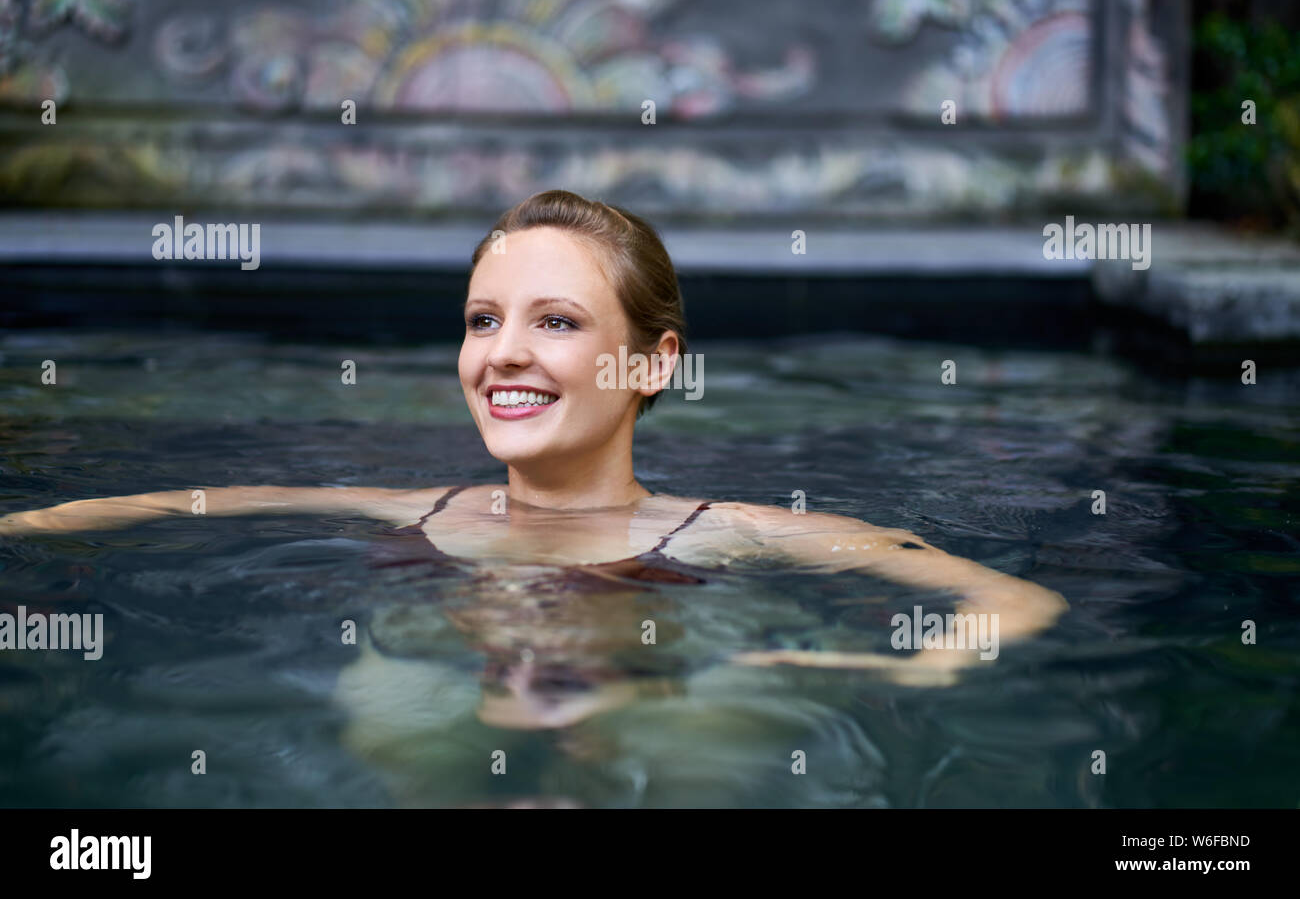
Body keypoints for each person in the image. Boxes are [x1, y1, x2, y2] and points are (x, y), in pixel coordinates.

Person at [0, 189, 1068, 717]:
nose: (502, 354)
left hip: (650, 736)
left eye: (554, 322)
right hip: (442, 739)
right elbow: (194, 501)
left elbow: (1011, 601)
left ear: (651, 365)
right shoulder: (421, 510)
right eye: (480, 322)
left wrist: (892, 663)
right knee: (393, 704)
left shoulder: (726, 531)